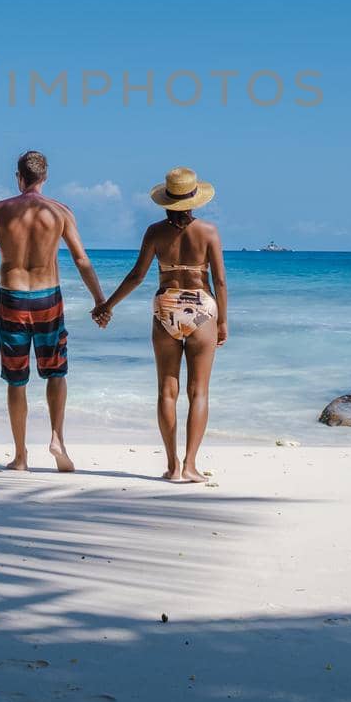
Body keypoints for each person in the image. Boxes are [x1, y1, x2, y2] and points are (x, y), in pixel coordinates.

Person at [0, 149, 108, 473]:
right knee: (56, 372)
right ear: (44, 178)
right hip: (48, 301)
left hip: (12, 299)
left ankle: (20, 456)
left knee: (16, 380)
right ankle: (57, 439)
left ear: (19, 178)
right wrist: (100, 300)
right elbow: (81, 259)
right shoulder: (60, 212)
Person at [93, 167, 226, 483]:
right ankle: (191, 464)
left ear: (166, 201)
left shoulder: (154, 232)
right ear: (194, 199)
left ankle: (172, 467)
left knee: (167, 390)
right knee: (199, 392)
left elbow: (137, 276)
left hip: (165, 306)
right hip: (201, 306)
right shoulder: (208, 232)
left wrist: (106, 306)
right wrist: (222, 321)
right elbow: (219, 280)